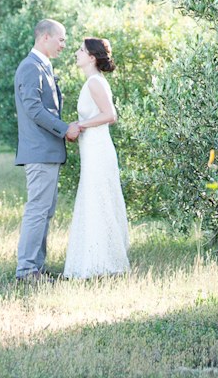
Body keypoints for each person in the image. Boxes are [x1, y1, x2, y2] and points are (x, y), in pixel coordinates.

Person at [14, 18, 80, 282]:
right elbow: (33, 109)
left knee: (45, 211)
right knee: (37, 210)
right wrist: (64, 129)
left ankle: (36, 268)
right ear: (45, 37)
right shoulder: (31, 67)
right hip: (39, 151)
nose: (64, 44)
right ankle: (27, 270)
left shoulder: (43, 65)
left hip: (48, 151)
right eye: (61, 39)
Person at [63, 37, 130, 279]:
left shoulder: (94, 82)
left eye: (81, 50)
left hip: (98, 148)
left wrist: (80, 124)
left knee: (97, 198)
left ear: (92, 57)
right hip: (91, 148)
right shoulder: (93, 82)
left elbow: (110, 115)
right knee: (93, 199)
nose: (76, 53)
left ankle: (103, 263)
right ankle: (94, 261)